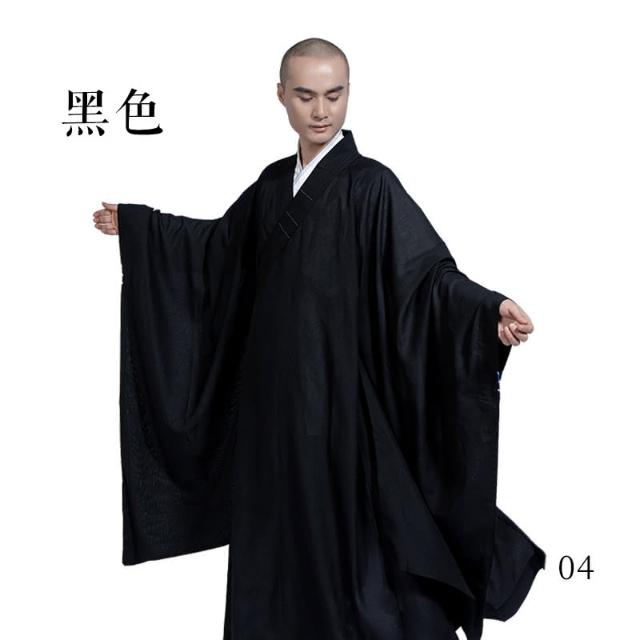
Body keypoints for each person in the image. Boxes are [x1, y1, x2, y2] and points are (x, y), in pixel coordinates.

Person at [93, 37, 545, 640]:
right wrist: (142, 228)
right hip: (270, 414)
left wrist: (487, 312)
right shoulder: (272, 185)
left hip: (339, 411)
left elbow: (426, 278)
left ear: (349, 93)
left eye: (334, 95)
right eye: (306, 95)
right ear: (281, 95)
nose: (321, 110)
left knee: (355, 557)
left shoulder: (370, 186)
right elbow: (218, 251)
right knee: (272, 551)